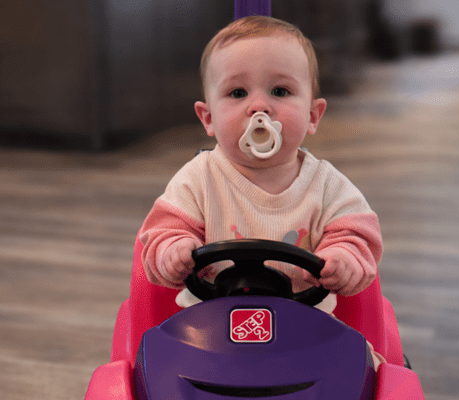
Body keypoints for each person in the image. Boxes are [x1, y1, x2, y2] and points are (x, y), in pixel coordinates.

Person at [139, 16, 383, 326]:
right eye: (237, 93)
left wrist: (344, 258)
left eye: (279, 91)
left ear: (312, 115)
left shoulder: (327, 186)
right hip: (208, 328)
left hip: (305, 328)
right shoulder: (197, 179)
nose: (259, 107)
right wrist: (173, 251)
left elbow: (358, 237)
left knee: (355, 357)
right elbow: (161, 235)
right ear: (208, 118)